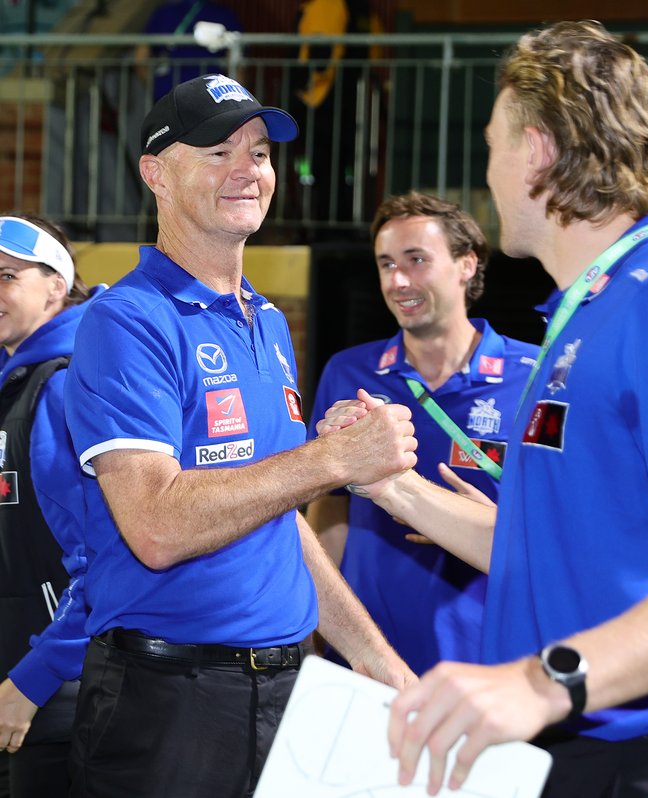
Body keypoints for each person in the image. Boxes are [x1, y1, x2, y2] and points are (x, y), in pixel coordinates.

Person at [317, 21, 648, 798]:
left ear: (537, 151)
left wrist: (542, 683)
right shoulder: (583, 312)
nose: (489, 174)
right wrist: (386, 484)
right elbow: (554, 549)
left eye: (492, 147)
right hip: (575, 751)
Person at [62, 73, 417, 798]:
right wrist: (326, 460)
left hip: (286, 695)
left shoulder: (268, 322)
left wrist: (379, 663)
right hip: (168, 703)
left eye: (258, 152)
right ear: (155, 175)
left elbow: (274, 520)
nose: (248, 170)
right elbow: (157, 525)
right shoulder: (127, 321)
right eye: (218, 151)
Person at [306, 191, 539, 675]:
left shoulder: (535, 377)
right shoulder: (350, 373)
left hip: (491, 666)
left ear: (467, 265)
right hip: (367, 662)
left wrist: (487, 524)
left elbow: (563, 523)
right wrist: (314, 630)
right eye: (386, 264)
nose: (398, 280)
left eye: (416, 260)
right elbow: (328, 505)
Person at [0, 215, 102, 797]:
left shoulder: (62, 386)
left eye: (7, 275)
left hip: (51, 695)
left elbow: (103, 556)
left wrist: (33, 680)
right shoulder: (17, 379)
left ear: (56, 286)